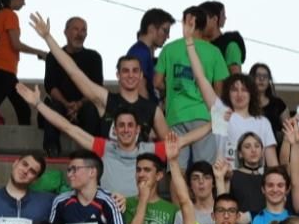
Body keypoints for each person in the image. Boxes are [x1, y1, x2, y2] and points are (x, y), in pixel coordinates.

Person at [17, 83, 182, 200]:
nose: (126, 129)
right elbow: (68, 128)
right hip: (108, 215)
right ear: (114, 130)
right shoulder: (104, 147)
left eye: (130, 125)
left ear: (138, 129)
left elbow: (185, 140)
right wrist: (38, 104)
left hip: (138, 215)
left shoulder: (150, 149)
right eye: (121, 125)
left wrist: (209, 122)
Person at [29, 13, 166, 142]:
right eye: (125, 71)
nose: (130, 75)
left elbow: (173, 146)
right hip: (106, 163)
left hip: (137, 165)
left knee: (89, 111)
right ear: (117, 75)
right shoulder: (107, 101)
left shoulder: (153, 110)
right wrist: (47, 37)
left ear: (142, 75)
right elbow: (73, 71)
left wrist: (189, 42)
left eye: (135, 71)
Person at [182, 16, 276, 167]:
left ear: (252, 94)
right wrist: (189, 42)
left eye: (244, 90)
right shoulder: (220, 111)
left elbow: (273, 164)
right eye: (234, 90)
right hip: (224, 182)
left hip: (254, 184)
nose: (239, 94)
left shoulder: (263, 123)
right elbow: (201, 78)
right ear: (227, 93)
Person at [155, 5, 227, 165]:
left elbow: (157, 82)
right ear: (204, 25)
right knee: (205, 170)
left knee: (176, 168)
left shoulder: (168, 49)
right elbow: (219, 90)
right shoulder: (214, 52)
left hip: (175, 115)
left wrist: (174, 88)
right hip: (205, 118)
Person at [0, 0, 46, 125]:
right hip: (5, 72)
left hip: (0, 71)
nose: (24, 3)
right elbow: (16, 44)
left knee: (23, 109)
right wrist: (39, 51)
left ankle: (25, 145)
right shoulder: (10, 16)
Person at [40, 16, 103, 157]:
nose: (80, 34)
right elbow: (50, 86)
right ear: (65, 32)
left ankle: (87, 153)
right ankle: (52, 150)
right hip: (61, 104)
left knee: (93, 109)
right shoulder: (53, 56)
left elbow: (97, 87)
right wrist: (67, 104)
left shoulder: (94, 57)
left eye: (83, 30)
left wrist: (79, 104)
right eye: (76, 29)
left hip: (85, 104)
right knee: (53, 107)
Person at [126, 8, 175, 102]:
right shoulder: (140, 52)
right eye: (165, 30)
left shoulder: (144, 52)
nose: (168, 36)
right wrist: (150, 112)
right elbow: (140, 86)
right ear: (151, 29)